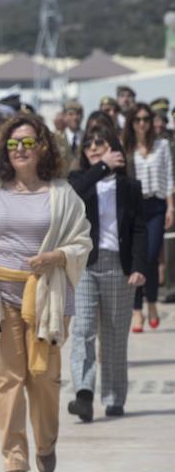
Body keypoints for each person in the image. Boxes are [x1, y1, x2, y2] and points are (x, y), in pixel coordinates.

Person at [0, 114, 92, 472]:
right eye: (13, 144)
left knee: (43, 379)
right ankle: (14, 462)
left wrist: (57, 256)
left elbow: (82, 241)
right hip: (2, 300)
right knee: (7, 379)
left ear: (43, 146)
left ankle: (46, 442)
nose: (21, 150)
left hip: (48, 299)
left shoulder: (62, 193)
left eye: (28, 143)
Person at [67, 124, 146, 422]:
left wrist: (139, 267)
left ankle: (114, 397)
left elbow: (139, 229)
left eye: (100, 143)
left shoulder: (130, 187)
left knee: (113, 335)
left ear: (114, 146)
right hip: (87, 262)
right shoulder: (80, 180)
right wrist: (101, 167)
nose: (93, 147)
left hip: (119, 265)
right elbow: (73, 194)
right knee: (83, 330)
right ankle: (84, 394)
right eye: (88, 144)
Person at [122, 103, 174, 332]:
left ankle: (151, 303)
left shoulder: (162, 145)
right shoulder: (128, 147)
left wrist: (171, 207)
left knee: (151, 256)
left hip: (156, 204)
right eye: (137, 119)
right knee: (138, 258)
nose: (142, 123)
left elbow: (169, 176)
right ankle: (137, 310)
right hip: (135, 206)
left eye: (145, 119)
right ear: (132, 123)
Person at [56, 100, 84, 173]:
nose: (75, 118)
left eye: (78, 114)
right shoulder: (56, 138)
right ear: (64, 116)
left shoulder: (87, 137)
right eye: (71, 114)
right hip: (62, 181)